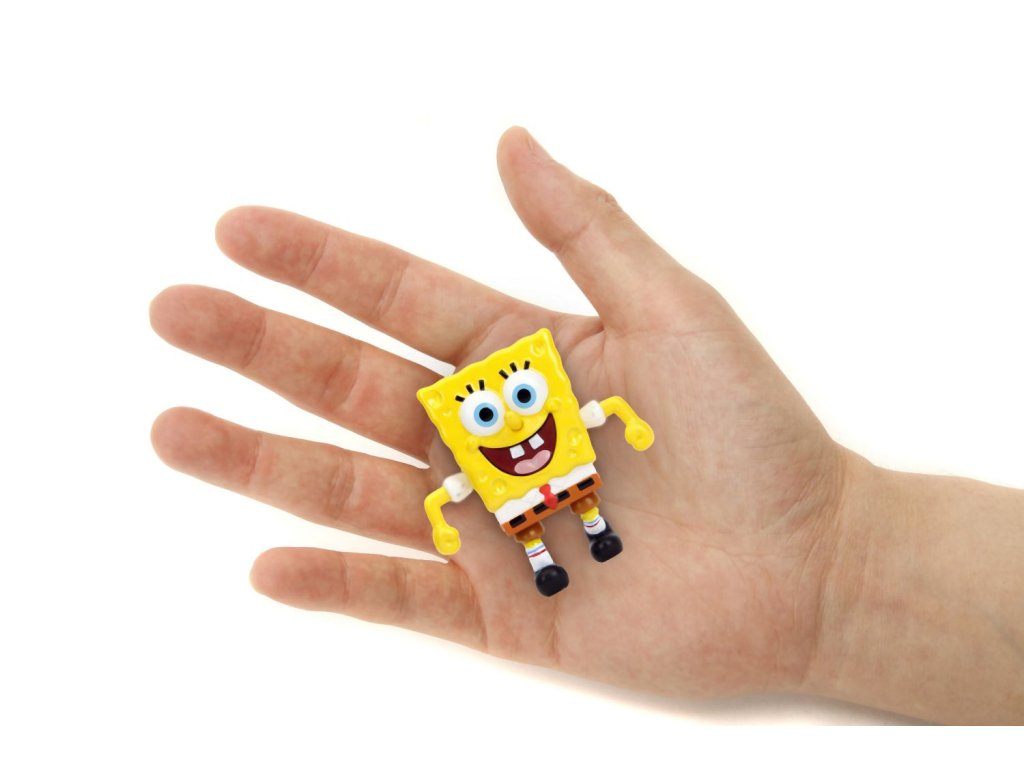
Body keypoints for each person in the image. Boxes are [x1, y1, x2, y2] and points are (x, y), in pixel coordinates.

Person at [149, 127, 1024, 725]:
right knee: (537, 521)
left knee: (571, 499)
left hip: (572, 484)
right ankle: (548, 554)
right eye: (486, 414)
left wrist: (831, 553)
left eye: (515, 401)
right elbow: (480, 475)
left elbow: (597, 416)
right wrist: (836, 565)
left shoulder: (561, 418)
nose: (513, 421)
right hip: (529, 502)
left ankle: (582, 535)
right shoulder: (496, 440)